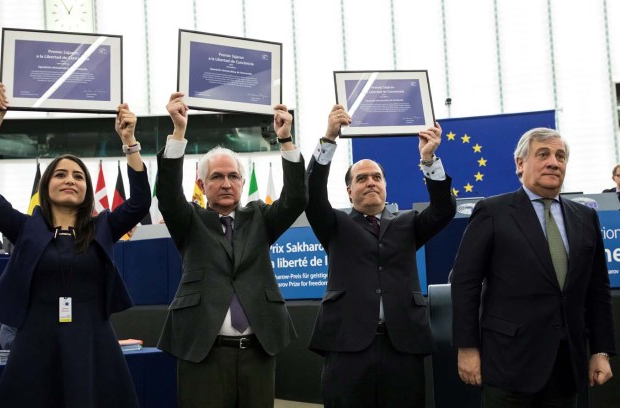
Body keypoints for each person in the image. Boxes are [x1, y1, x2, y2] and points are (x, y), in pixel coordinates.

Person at [0, 81, 151, 407]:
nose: (70, 179)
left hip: (93, 346)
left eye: (78, 176)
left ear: (86, 189)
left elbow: (141, 202)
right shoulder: (25, 227)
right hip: (35, 347)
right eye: (60, 174)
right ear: (47, 185)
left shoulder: (103, 227)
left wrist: (129, 141)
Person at [156, 92, 307, 408]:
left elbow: (295, 199)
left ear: (241, 182)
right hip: (203, 353)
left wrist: (286, 140)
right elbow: (168, 195)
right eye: (217, 177)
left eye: (233, 176)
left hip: (257, 350)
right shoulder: (190, 221)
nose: (226, 183)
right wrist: (179, 132)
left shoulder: (260, 219)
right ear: (202, 184)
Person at [451, 127, 615, 407]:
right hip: (508, 364)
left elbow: (597, 289)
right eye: (543, 154)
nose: (554, 162)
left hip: (566, 367)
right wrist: (467, 348)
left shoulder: (585, 217)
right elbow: (465, 282)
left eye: (560, 156)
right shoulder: (492, 212)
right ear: (520, 163)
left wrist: (601, 351)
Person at [305, 104, 456, 407]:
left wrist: (428, 159)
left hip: (402, 344)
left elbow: (444, 210)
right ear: (349, 191)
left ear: (386, 186)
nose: (371, 182)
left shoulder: (408, 223)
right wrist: (329, 139)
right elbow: (311, 194)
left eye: (376, 177)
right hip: (347, 344)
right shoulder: (335, 224)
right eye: (361, 178)